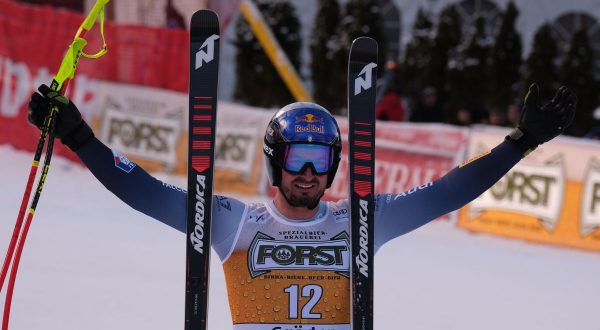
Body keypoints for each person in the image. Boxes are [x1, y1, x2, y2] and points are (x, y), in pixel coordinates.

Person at [27, 83, 576, 329]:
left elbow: (447, 192)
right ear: (275, 162)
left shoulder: (358, 221)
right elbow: (145, 192)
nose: (309, 174)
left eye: (320, 160)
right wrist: (79, 137)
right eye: (297, 159)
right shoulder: (234, 221)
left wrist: (518, 144)